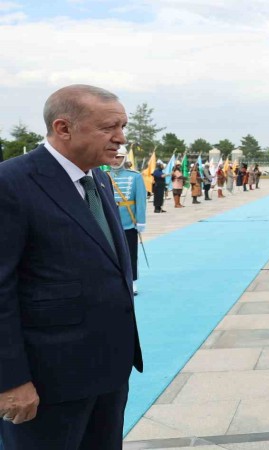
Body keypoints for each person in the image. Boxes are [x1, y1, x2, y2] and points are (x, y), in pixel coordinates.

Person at [0, 84, 143, 449]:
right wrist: (10, 379)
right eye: (109, 127)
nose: (120, 137)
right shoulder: (11, 183)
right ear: (63, 128)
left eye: (123, 126)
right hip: (48, 381)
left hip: (109, 372)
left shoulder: (99, 179)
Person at [109, 147, 148, 296]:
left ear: (124, 158)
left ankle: (132, 281)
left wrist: (140, 221)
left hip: (128, 221)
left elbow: (141, 200)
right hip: (110, 221)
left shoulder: (135, 176)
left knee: (130, 253)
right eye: (113, 156)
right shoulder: (103, 175)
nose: (115, 160)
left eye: (118, 157)